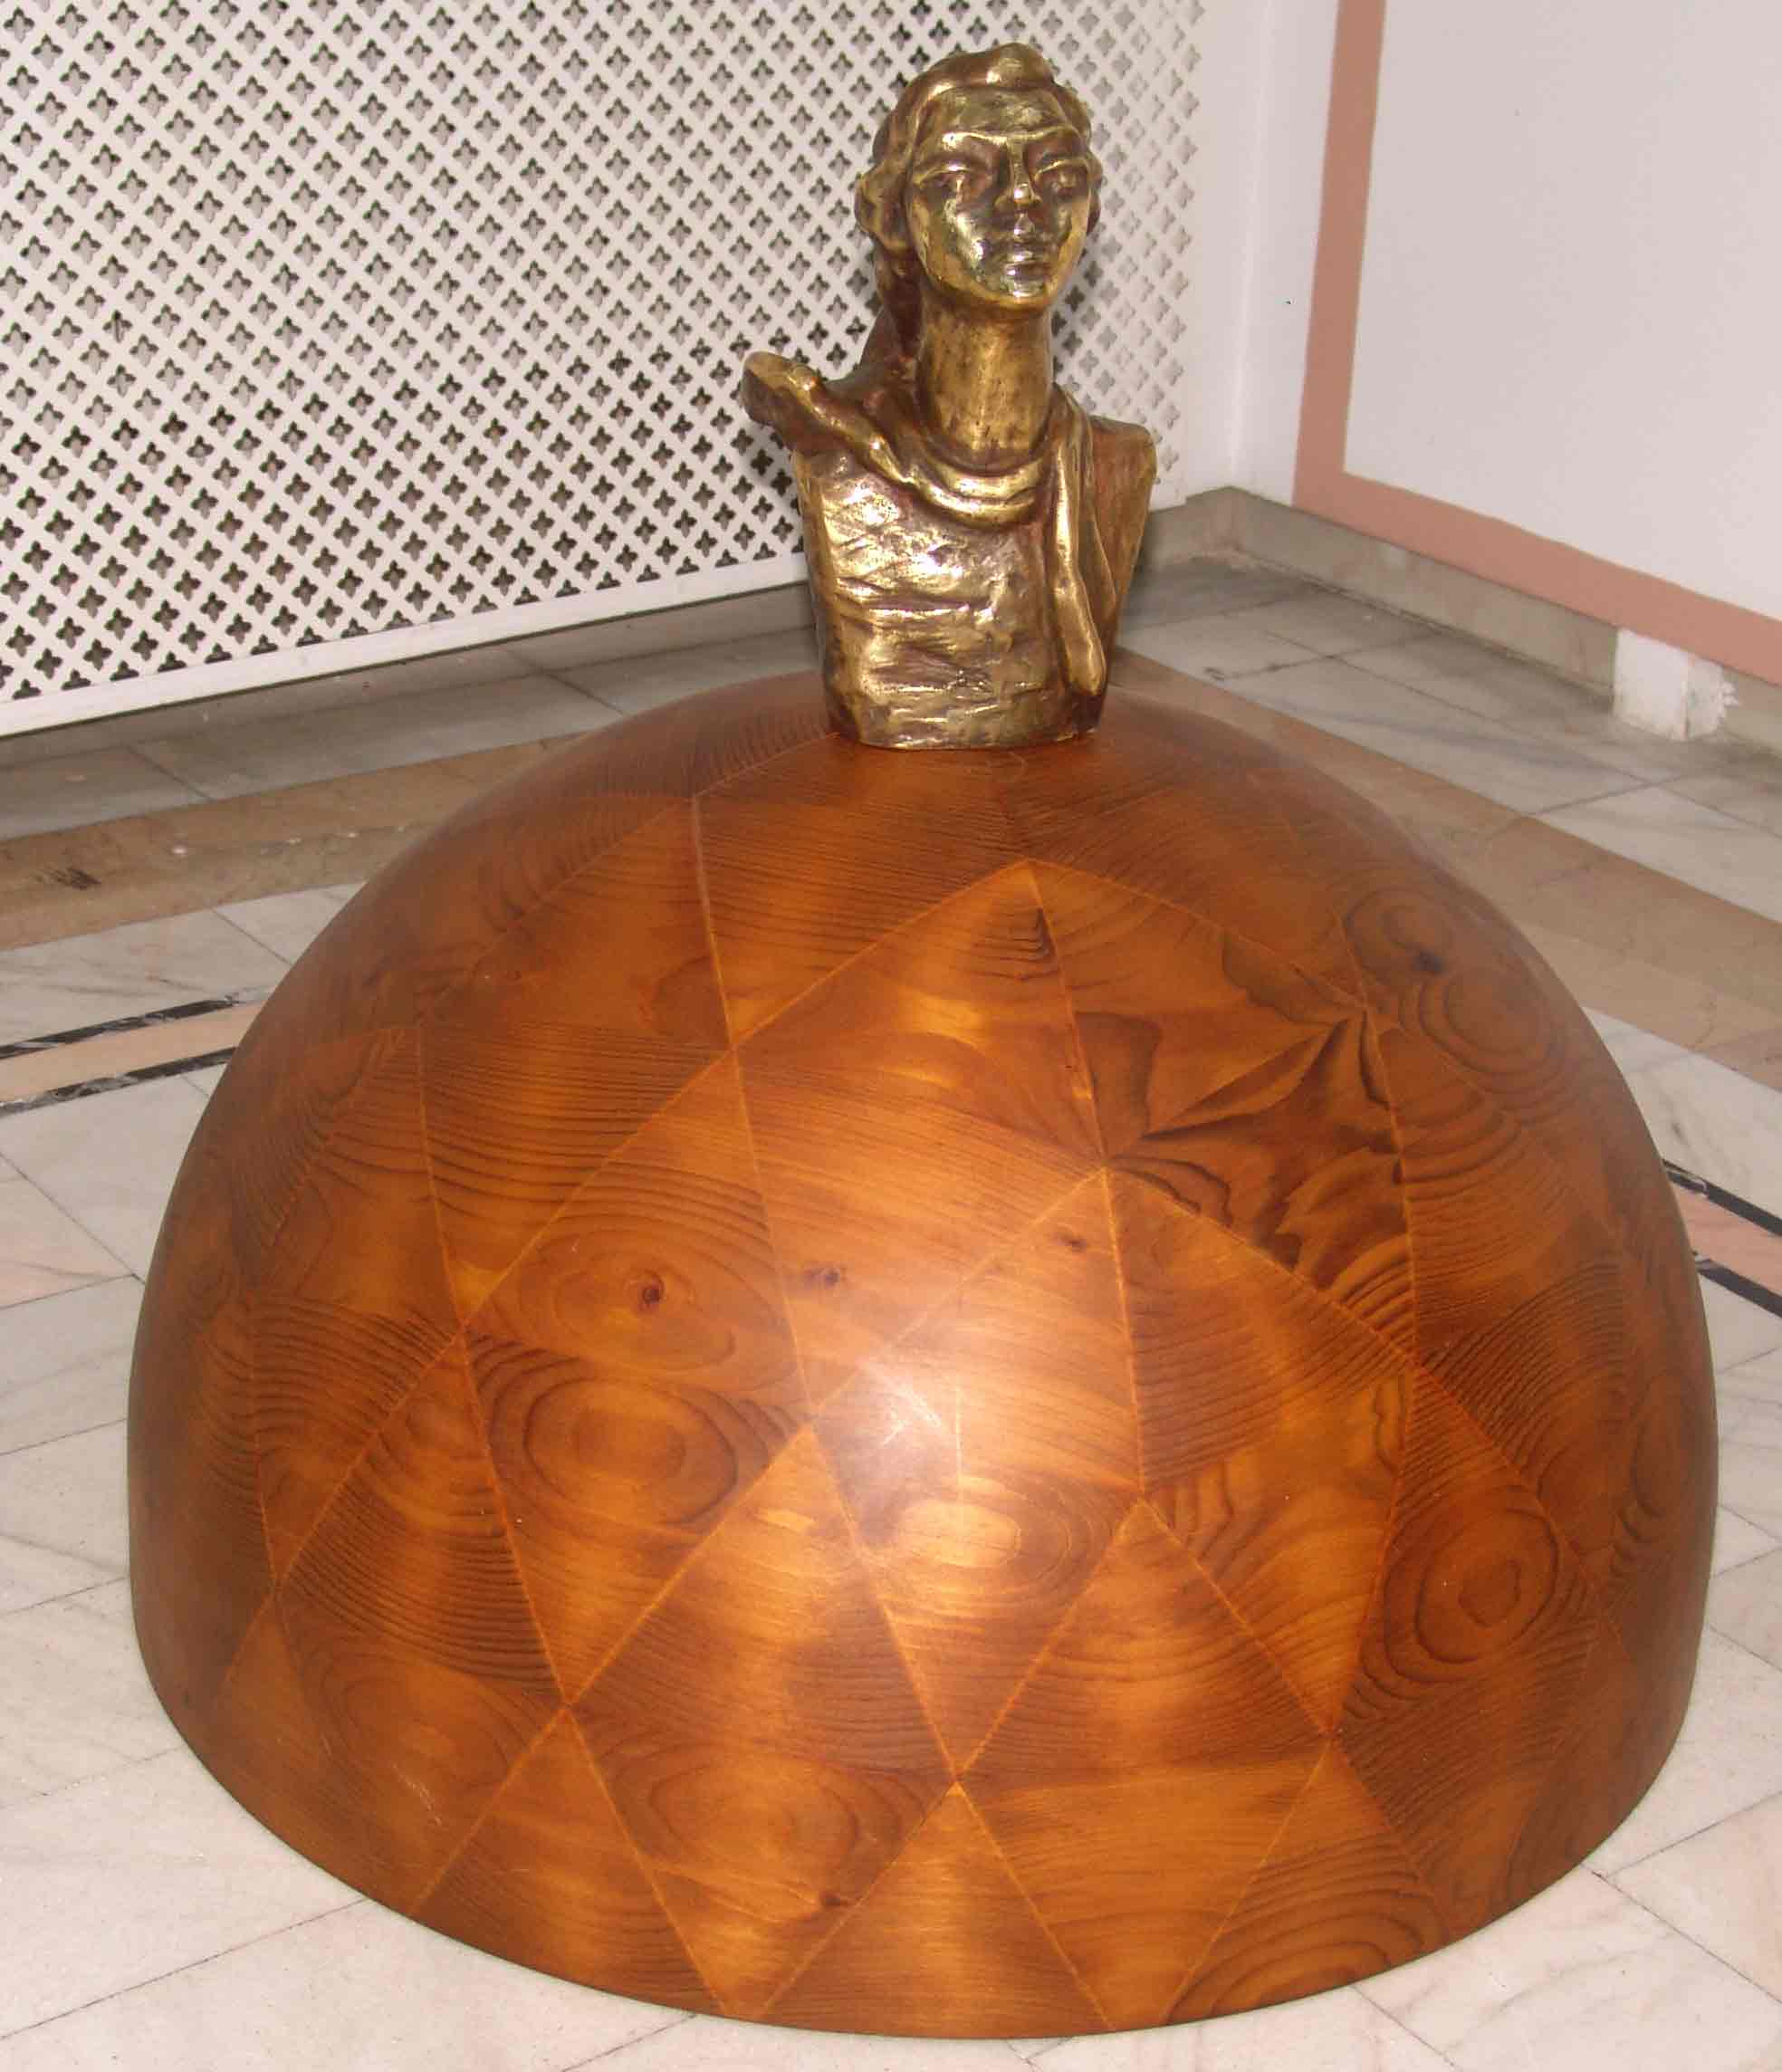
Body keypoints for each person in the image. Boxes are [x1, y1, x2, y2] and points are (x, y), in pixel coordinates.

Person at [742, 43, 1156, 749]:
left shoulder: (1118, 462)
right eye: (962, 176)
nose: (1022, 203)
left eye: (1059, 175)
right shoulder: (841, 462)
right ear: (894, 219)